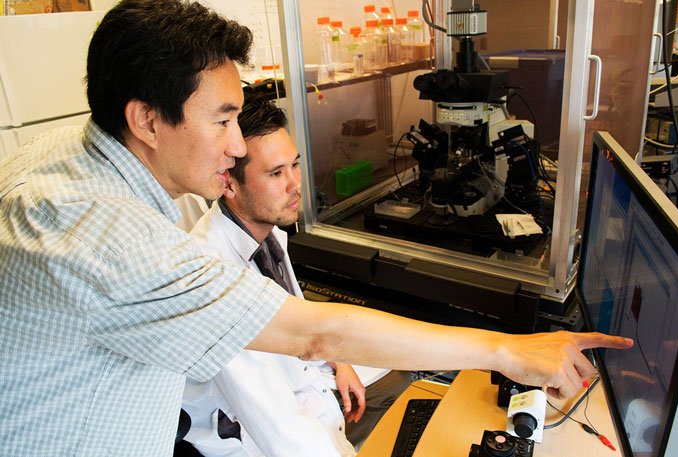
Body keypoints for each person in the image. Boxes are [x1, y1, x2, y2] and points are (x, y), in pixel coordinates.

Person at [0, 0, 632, 455]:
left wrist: (338, 363)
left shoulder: (66, 161)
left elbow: (315, 337)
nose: (234, 146)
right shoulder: (109, 238)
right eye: (222, 121)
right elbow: (313, 335)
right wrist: (507, 350)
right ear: (145, 120)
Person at [181, 98, 413, 457]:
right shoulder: (215, 277)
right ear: (229, 183)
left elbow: (295, 317)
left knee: (397, 380)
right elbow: (276, 424)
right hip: (247, 432)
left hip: (297, 381)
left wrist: (339, 361)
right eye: (276, 173)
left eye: (295, 165)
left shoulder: (267, 234)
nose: (295, 184)